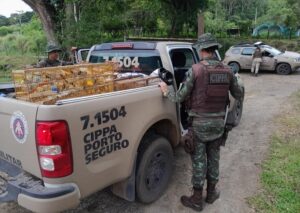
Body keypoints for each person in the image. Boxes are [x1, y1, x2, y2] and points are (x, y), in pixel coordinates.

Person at [159, 33, 242, 212]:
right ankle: (211, 194)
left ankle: (197, 199)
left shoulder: (195, 70)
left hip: (199, 125)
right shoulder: (227, 71)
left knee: (198, 161)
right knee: (214, 158)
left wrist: (166, 91)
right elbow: (238, 94)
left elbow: (180, 97)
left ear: (202, 50)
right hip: (218, 124)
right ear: (214, 49)